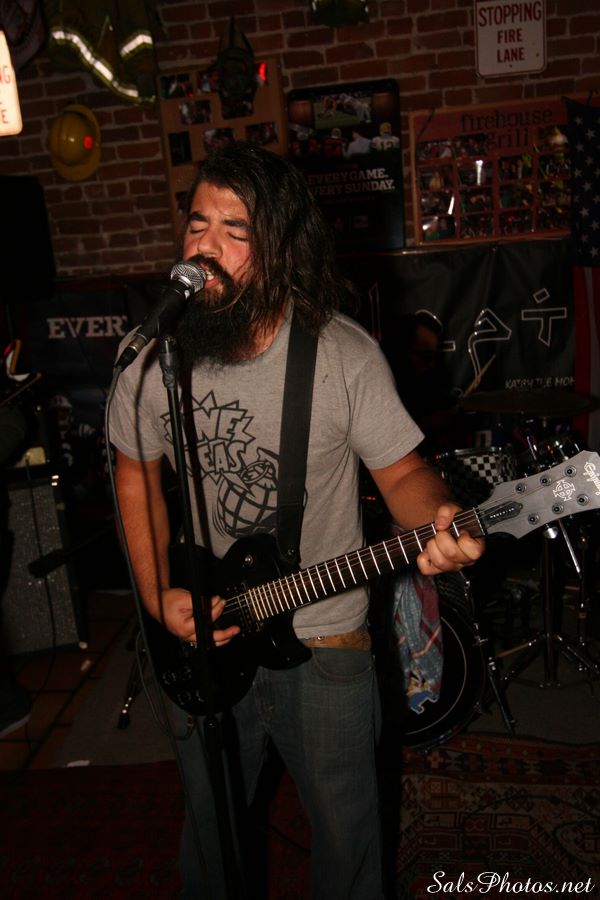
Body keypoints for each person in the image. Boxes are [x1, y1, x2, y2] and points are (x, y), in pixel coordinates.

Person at [108, 142, 484, 900]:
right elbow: (135, 473)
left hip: (324, 631)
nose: (204, 246)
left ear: (280, 247)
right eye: (197, 223)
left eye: (235, 230)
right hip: (204, 627)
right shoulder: (152, 357)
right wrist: (155, 597)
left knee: (348, 843)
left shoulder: (342, 355)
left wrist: (439, 517)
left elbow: (403, 473)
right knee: (211, 836)